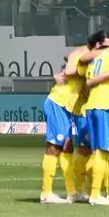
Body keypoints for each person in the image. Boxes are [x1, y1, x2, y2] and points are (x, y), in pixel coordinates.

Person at [76, 33, 109, 205]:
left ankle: (99, 192)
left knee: (97, 152)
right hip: (105, 106)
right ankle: (96, 195)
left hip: (92, 107)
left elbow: (86, 77)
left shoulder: (93, 61)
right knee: (103, 151)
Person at [39, 45, 87, 204]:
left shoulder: (85, 59)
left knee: (67, 146)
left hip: (66, 108)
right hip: (57, 103)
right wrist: (60, 73)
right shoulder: (82, 57)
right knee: (54, 147)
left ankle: (72, 192)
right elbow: (72, 57)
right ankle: (46, 193)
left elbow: (70, 57)